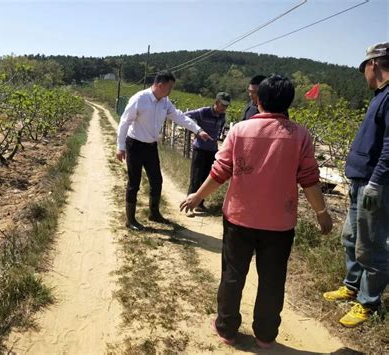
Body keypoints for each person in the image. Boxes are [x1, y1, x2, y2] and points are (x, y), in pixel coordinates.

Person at [180, 75, 332, 348]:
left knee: (233, 274)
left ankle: (226, 328)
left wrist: (196, 197)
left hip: (240, 219)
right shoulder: (300, 135)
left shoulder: (240, 130)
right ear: (288, 102)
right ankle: (265, 334)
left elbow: (220, 172)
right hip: (280, 224)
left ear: (258, 99)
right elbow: (309, 179)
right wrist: (321, 212)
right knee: (272, 279)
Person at [323, 42, 389, 327]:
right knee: (351, 238)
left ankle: (368, 302)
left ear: (373, 64)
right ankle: (351, 286)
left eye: (364, 68)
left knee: (371, 245)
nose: (364, 74)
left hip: (374, 186)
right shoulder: (380, 96)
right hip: (359, 182)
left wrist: (376, 182)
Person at [117, 70, 211, 231]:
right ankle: (130, 219)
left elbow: (179, 116)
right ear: (160, 85)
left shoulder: (165, 102)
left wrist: (197, 130)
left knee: (157, 181)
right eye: (169, 87)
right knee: (134, 183)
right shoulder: (139, 99)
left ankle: (154, 213)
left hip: (151, 147)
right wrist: (121, 147)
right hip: (135, 145)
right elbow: (124, 122)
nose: (170, 91)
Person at [185, 92, 229, 216]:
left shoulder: (222, 116)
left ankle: (199, 203)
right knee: (195, 177)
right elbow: (185, 116)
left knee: (205, 178)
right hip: (200, 149)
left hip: (212, 150)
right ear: (216, 102)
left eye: (226, 106)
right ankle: (189, 206)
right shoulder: (203, 112)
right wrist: (197, 130)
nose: (224, 108)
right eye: (222, 105)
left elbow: (219, 131)